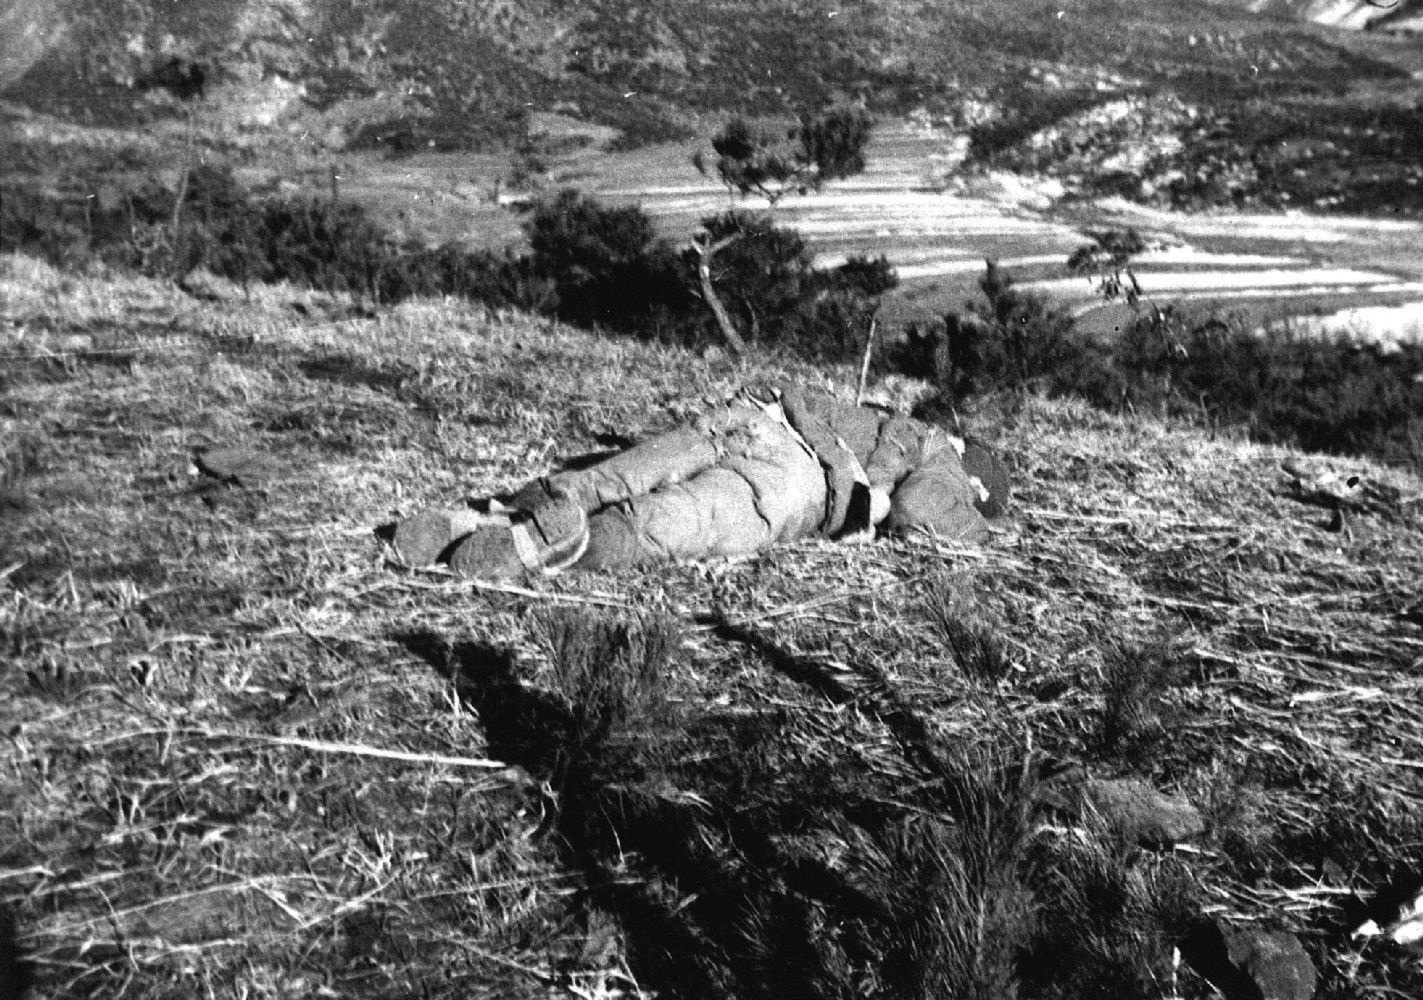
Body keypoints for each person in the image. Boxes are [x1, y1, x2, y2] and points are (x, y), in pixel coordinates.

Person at [391, 383, 1009, 582]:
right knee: (650, 528)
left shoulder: (881, 417)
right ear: (974, 477)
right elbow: (921, 507)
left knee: (601, 479)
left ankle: (469, 522)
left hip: (752, 415)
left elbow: (795, 393)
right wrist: (977, 533)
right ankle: (524, 550)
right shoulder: (946, 461)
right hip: (795, 482)